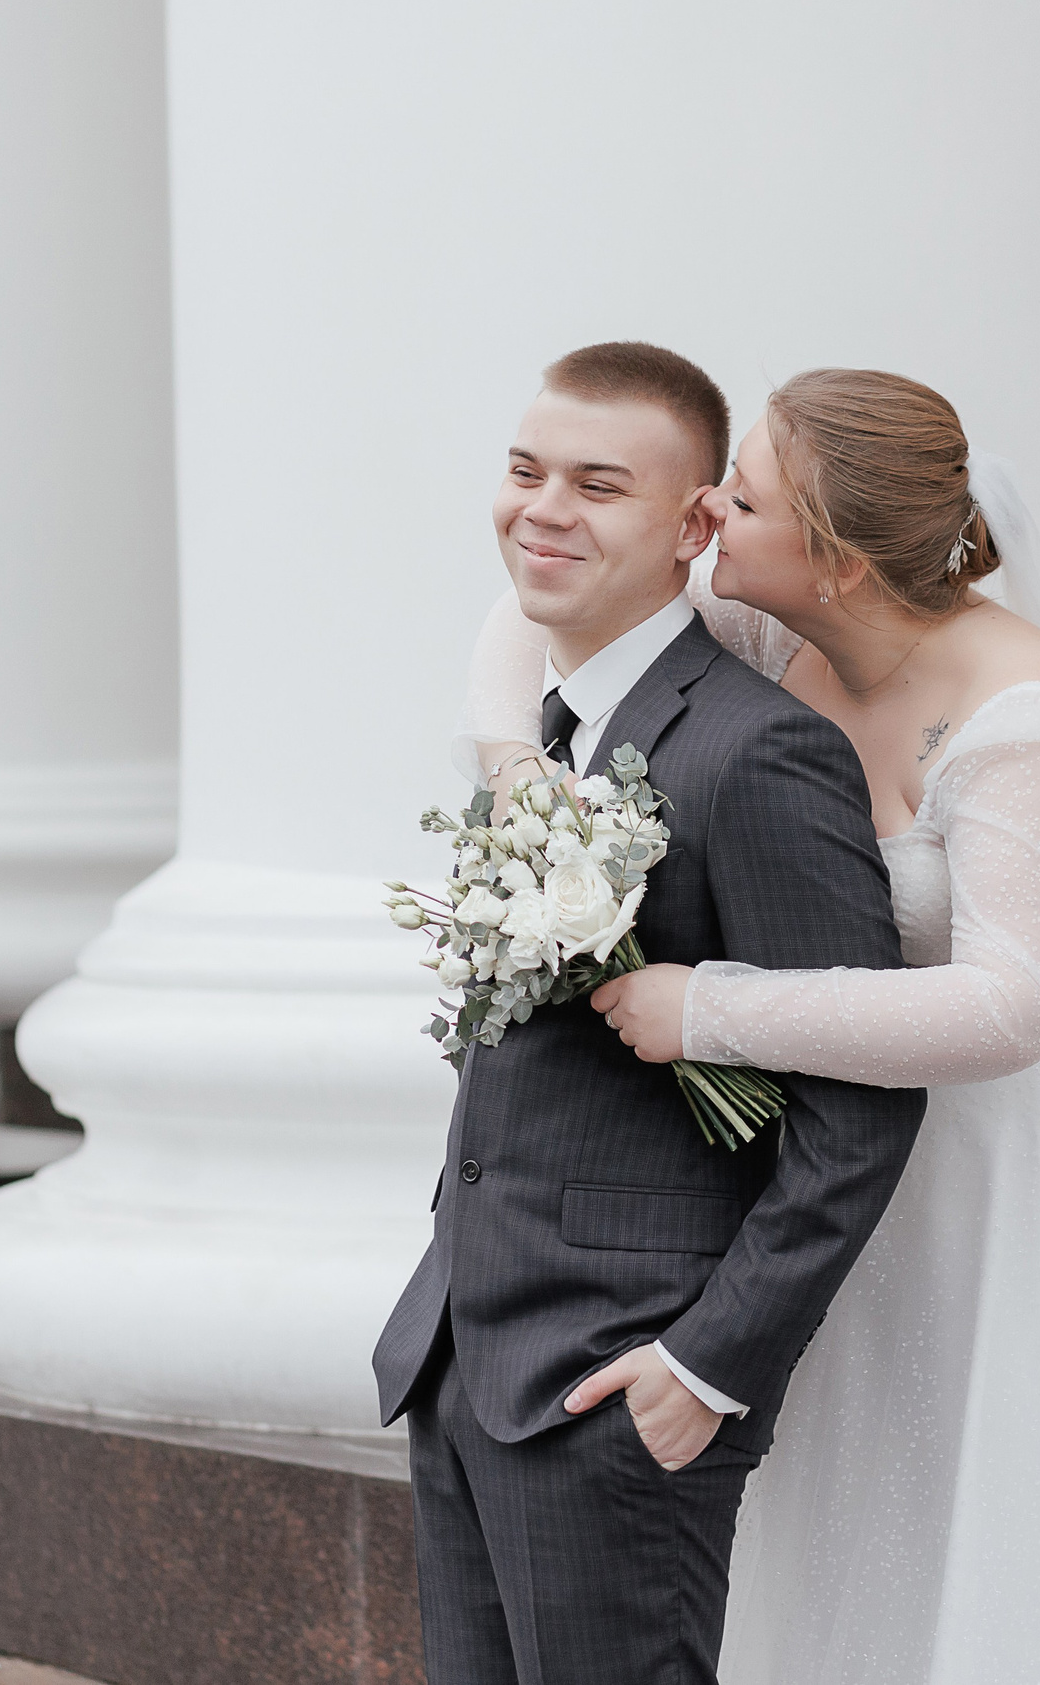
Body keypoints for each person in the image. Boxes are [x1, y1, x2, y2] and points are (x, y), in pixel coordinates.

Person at [456, 365, 1040, 1683]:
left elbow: (1013, 1003)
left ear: (835, 561)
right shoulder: (772, 628)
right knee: (857, 1507)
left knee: (1025, 1521)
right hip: (852, 1142)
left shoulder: (1026, 712)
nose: (710, 517)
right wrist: (520, 778)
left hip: (1027, 1159)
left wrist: (710, 1008)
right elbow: (528, 613)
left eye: (744, 498)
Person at [372, 342, 928, 1685]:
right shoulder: (550, 741)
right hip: (463, 1361)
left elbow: (863, 1094)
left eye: (598, 485)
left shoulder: (760, 752)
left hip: (620, 1385)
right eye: (525, 471)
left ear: (692, 527)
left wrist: (708, 1366)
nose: (543, 508)